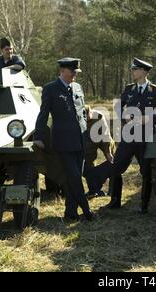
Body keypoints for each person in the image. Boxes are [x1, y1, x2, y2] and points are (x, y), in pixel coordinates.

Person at [105, 58, 156, 214]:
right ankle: (114, 201)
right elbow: (118, 106)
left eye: (135, 69)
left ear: (144, 72)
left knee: (146, 172)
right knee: (116, 167)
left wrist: (151, 118)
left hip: (146, 137)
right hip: (129, 135)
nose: (132, 72)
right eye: (132, 69)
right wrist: (124, 117)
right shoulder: (129, 89)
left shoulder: (155, 90)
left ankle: (144, 205)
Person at [34, 57, 94, 222]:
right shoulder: (51, 89)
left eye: (76, 71)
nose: (75, 74)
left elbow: (82, 111)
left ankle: (70, 213)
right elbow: (43, 114)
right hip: (63, 141)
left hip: (80, 140)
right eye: (72, 71)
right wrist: (38, 136)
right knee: (74, 177)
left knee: (73, 178)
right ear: (62, 71)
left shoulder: (78, 87)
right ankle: (87, 211)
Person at [84, 105, 115, 199]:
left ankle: (113, 189)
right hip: (87, 147)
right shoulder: (75, 117)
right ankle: (94, 190)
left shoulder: (98, 117)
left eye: (88, 116)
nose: (87, 118)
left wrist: (108, 152)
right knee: (87, 167)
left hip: (103, 141)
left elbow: (105, 137)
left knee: (112, 163)